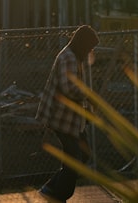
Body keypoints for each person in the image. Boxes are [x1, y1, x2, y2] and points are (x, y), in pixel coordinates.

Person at [36, 24, 100, 202]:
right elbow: (68, 87)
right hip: (61, 118)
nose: (90, 51)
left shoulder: (73, 56)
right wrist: (89, 96)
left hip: (71, 119)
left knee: (81, 155)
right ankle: (58, 195)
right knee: (74, 160)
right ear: (83, 44)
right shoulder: (69, 58)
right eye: (90, 47)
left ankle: (50, 188)